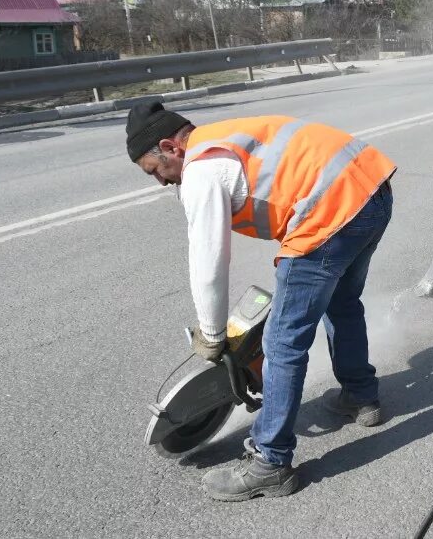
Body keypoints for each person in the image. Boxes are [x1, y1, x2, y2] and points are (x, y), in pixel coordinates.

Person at [126, 101, 395, 501]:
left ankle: (270, 462)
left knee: (283, 344)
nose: (162, 182)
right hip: (372, 190)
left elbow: (209, 261)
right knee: (342, 303)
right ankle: (359, 395)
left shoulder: (201, 170)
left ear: (169, 146)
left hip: (328, 216)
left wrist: (213, 333)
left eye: (156, 171)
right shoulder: (223, 136)